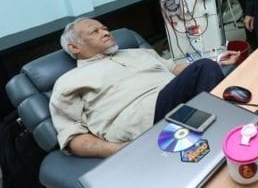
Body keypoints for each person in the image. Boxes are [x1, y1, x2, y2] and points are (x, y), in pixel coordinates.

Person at [50, 18, 237, 158]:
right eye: (95, 31)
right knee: (205, 71)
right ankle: (228, 135)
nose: (106, 32)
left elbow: (174, 69)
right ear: (75, 47)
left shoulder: (137, 53)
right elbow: (74, 138)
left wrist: (217, 60)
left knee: (212, 70)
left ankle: (224, 134)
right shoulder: (68, 82)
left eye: (105, 29)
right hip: (141, 120)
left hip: (174, 101)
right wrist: (121, 150)